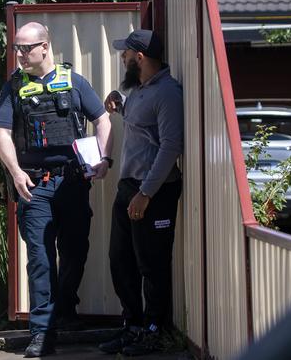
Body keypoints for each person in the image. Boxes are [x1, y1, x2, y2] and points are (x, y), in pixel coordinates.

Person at [0, 22, 113, 357]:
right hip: (35, 185)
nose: (20, 55)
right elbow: (2, 133)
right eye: (16, 48)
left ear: (45, 47)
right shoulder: (13, 88)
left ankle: (65, 312)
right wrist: (16, 172)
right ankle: (42, 333)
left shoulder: (74, 82)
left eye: (26, 48)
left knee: (75, 251)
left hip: (74, 182)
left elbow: (102, 119)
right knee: (41, 260)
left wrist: (104, 158)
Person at [98, 29, 184, 356]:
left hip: (154, 192)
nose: (123, 58)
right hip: (129, 188)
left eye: (126, 54)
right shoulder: (141, 90)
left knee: (152, 264)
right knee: (120, 261)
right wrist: (118, 104)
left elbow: (170, 147)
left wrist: (146, 193)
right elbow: (140, 124)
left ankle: (153, 332)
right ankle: (132, 326)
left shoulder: (168, 94)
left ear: (141, 57)